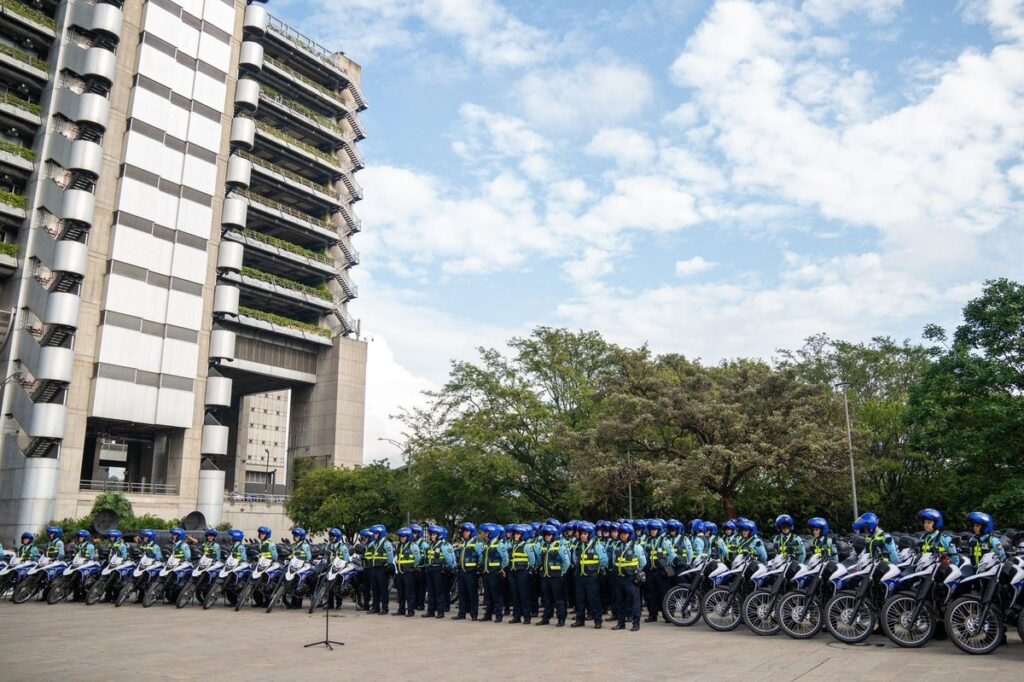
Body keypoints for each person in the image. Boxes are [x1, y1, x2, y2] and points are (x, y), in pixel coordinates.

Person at [610, 522, 646, 631]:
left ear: (630, 534)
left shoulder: (636, 546)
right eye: (621, 533)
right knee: (620, 601)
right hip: (619, 578)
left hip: (631, 578)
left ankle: (636, 624)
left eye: (625, 533)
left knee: (634, 602)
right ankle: (621, 623)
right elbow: (613, 560)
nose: (622, 535)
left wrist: (635, 571)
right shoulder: (617, 545)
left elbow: (643, 562)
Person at [571, 521, 607, 629]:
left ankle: (598, 621)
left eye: (585, 534)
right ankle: (580, 620)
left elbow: (604, 559)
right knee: (580, 599)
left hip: (592, 577)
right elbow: (574, 558)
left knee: (594, 599)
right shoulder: (578, 545)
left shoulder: (597, 545)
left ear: (590, 534)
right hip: (579, 576)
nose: (582, 536)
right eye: (581, 533)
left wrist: (599, 570)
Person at [536, 523, 570, 626]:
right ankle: (546, 618)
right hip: (545, 576)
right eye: (545, 535)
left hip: (556, 577)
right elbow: (539, 560)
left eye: (549, 535)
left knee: (558, 599)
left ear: (553, 535)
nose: (547, 536)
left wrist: (562, 572)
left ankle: (561, 618)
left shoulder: (559, 546)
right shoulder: (543, 546)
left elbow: (567, 562)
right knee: (547, 599)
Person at [642, 519, 675, 623]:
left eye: (655, 529)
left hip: (661, 572)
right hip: (650, 572)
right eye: (651, 529)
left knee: (664, 594)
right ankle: (653, 615)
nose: (652, 531)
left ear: (659, 530)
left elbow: (672, 555)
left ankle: (667, 615)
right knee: (650, 594)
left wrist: (666, 564)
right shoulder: (646, 541)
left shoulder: (664, 541)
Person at [452, 522, 483, 621]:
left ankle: (474, 614)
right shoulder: (463, 543)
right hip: (461, 572)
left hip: (471, 572)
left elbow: (481, 556)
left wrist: (478, 568)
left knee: (472, 594)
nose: (465, 533)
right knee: (462, 593)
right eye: (464, 531)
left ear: (471, 532)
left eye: (467, 531)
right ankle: (462, 613)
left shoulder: (477, 543)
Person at [423, 525, 454, 619]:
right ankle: (430, 611)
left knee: (439, 592)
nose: (432, 536)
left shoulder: (443, 545)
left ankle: (440, 612)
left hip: (438, 570)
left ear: (438, 535)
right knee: (431, 591)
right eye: (431, 534)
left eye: (434, 534)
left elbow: (449, 559)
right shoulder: (431, 544)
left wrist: (446, 567)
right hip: (430, 569)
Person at [479, 523, 509, 622]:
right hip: (486, 572)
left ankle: (498, 615)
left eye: (487, 533)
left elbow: (505, 559)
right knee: (488, 595)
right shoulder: (487, 544)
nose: (486, 535)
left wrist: (501, 569)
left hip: (495, 573)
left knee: (497, 595)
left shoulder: (500, 544)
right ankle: (488, 614)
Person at [507, 524, 535, 624]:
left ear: (523, 535)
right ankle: (516, 616)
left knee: (524, 595)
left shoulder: (527, 546)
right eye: (515, 534)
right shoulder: (513, 545)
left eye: (518, 534)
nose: (515, 535)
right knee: (515, 596)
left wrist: (528, 570)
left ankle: (527, 617)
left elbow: (532, 560)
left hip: (523, 573)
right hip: (513, 572)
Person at [365, 525, 393, 615]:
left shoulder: (386, 543)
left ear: (381, 534)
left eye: (376, 533)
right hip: (374, 568)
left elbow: (390, 557)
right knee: (374, 589)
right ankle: (375, 607)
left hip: (383, 568)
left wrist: (389, 566)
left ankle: (385, 608)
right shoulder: (374, 543)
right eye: (374, 534)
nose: (374, 535)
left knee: (383, 589)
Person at [393, 527, 421, 617]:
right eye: (401, 536)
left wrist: (412, 567)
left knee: (409, 592)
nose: (402, 538)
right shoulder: (399, 546)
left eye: (403, 536)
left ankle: (410, 610)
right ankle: (401, 610)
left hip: (409, 573)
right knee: (400, 593)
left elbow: (418, 558)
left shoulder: (413, 546)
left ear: (408, 537)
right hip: (400, 572)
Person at [70, 530, 97, 601]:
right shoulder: (78, 545)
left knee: (84, 581)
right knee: (75, 581)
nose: (80, 538)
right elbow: (76, 554)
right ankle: (76, 597)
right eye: (79, 537)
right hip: (78, 564)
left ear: (86, 537)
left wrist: (87, 559)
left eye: (81, 537)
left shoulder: (90, 546)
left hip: (86, 565)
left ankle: (84, 596)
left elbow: (92, 557)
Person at [411, 524, 429, 611]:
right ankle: (414, 604)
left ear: (418, 534)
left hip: (421, 568)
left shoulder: (424, 544)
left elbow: (426, 556)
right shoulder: (411, 544)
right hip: (413, 568)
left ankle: (421, 605)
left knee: (421, 588)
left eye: (414, 533)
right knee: (413, 588)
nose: (413, 535)